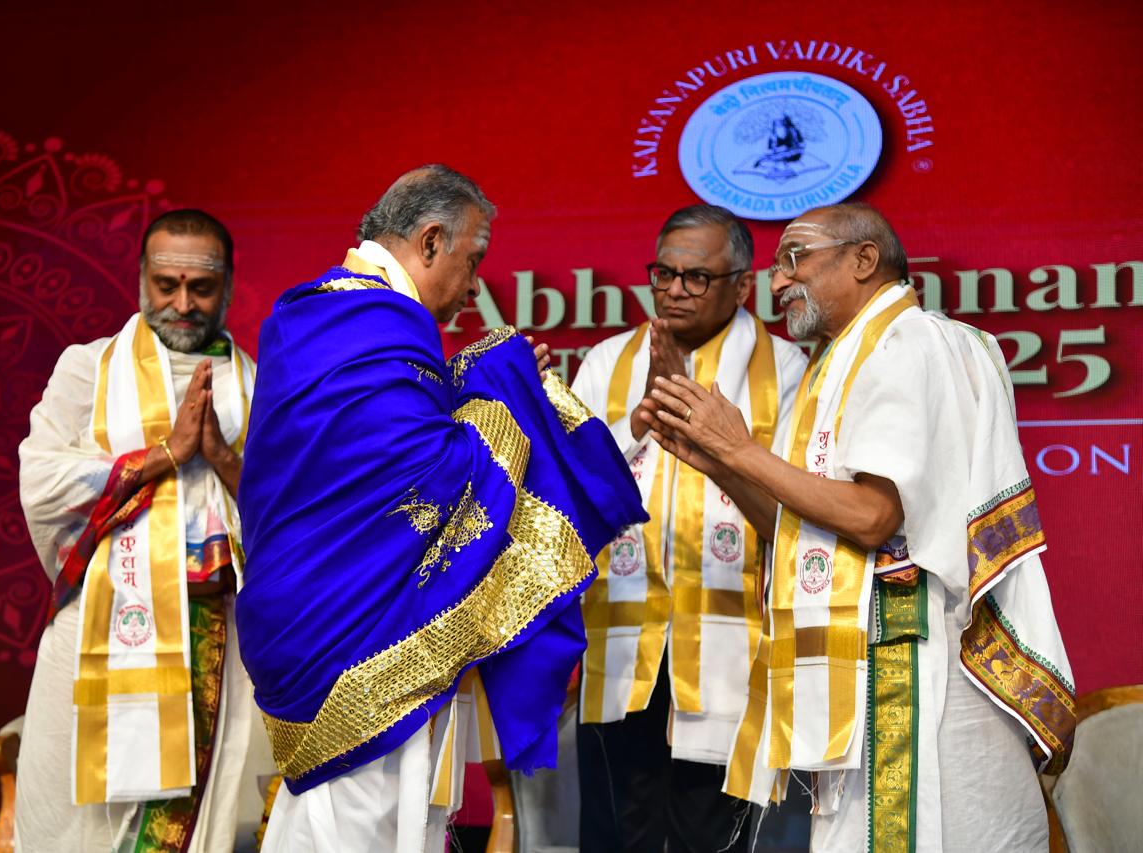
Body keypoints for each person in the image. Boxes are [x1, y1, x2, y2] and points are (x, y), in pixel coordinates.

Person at [235, 164, 647, 853]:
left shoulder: (311, 316)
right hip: (348, 622)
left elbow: (382, 453)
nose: (476, 284)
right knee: (360, 822)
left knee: (342, 819)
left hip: (312, 604)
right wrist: (506, 391)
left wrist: (493, 381)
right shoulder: (381, 322)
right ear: (430, 241)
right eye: (473, 259)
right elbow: (426, 469)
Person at [641, 203, 1075, 852]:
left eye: (795, 259)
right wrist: (719, 463)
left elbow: (873, 517)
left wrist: (740, 450)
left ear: (864, 259)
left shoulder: (907, 342)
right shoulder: (845, 359)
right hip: (874, 659)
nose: (778, 281)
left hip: (912, 662)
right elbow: (801, 530)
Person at [16, 209, 273, 852]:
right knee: (80, 826)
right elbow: (42, 480)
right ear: (141, 279)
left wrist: (221, 458)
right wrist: (166, 454)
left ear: (229, 286)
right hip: (102, 627)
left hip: (217, 632)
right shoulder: (89, 369)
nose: (182, 304)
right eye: (166, 284)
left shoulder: (259, 387)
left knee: (199, 825)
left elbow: (292, 514)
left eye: (201, 288)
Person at [571, 204, 807, 852]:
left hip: (732, 648)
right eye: (664, 273)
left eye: (697, 277)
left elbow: (796, 505)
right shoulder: (607, 362)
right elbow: (568, 494)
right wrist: (640, 420)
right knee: (616, 836)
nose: (675, 289)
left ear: (742, 285)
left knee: (713, 838)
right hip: (623, 644)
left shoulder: (786, 370)